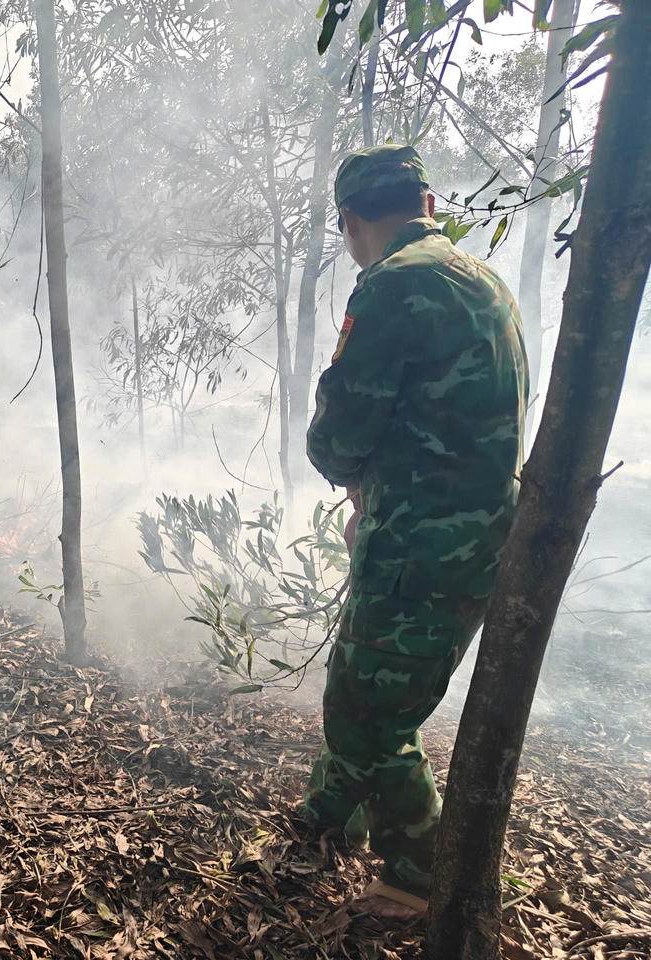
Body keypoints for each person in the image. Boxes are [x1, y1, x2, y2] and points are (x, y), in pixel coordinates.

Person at [299, 145, 528, 919]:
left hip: (419, 541)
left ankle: (418, 870)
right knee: (370, 677)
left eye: (347, 231)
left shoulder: (395, 284)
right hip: (474, 536)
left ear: (352, 221)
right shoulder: (483, 279)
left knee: (367, 707)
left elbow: (341, 434)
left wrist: (344, 466)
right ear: (427, 202)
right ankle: (333, 812)